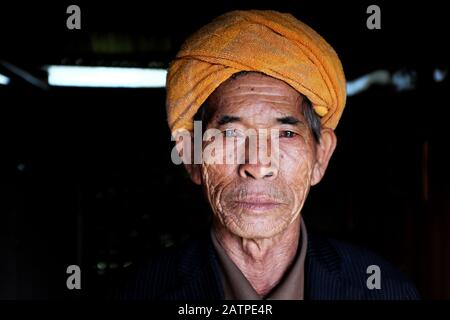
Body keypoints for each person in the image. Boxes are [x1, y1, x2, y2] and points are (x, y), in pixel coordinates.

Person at [117, 10, 419, 300]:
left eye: (286, 134)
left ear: (321, 156)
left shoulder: (383, 291)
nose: (258, 165)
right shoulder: (137, 293)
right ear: (190, 155)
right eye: (231, 134)